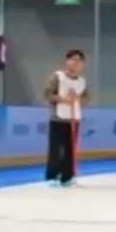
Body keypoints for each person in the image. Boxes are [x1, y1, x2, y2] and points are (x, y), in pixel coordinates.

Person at [44, 50, 89, 187]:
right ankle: (52, 177)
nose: (76, 63)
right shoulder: (57, 77)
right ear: (67, 61)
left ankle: (67, 177)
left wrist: (78, 98)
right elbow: (47, 94)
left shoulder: (82, 81)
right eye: (73, 59)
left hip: (74, 120)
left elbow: (86, 98)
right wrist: (64, 100)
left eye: (79, 60)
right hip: (58, 119)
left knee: (71, 150)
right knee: (56, 149)